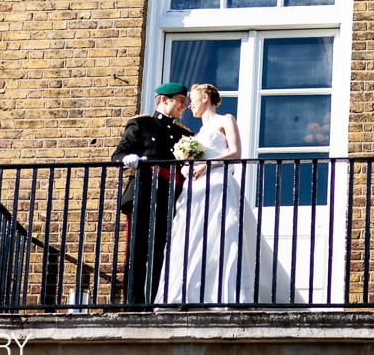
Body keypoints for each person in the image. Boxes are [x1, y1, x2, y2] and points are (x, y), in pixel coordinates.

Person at [155, 83, 302, 306]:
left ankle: (230, 295)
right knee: (194, 240)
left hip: (219, 183)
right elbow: (193, 160)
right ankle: (191, 296)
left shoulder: (225, 120)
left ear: (205, 97)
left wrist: (208, 165)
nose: (189, 104)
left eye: (193, 99)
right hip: (196, 190)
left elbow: (235, 152)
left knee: (225, 236)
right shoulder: (197, 133)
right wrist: (187, 167)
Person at [111, 82, 193, 305]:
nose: (184, 107)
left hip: (171, 198)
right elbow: (119, 154)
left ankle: (154, 301)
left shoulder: (183, 134)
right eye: (181, 102)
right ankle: (133, 304)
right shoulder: (141, 124)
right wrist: (128, 160)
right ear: (165, 100)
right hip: (143, 193)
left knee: (161, 252)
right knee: (136, 251)